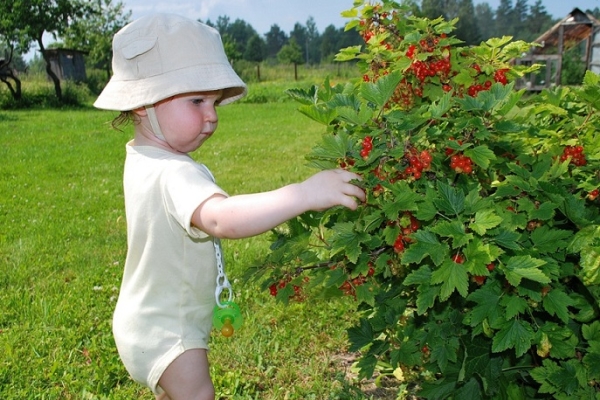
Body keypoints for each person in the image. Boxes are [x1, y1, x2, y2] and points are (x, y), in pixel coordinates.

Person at [94, 13, 365, 400]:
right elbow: (222, 218)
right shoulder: (174, 173)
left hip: (144, 320)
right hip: (171, 332)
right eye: (196, 100)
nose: (212, 115)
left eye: (215, 101)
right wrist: (304, 193)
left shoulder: (141, 156)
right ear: (143, 105)